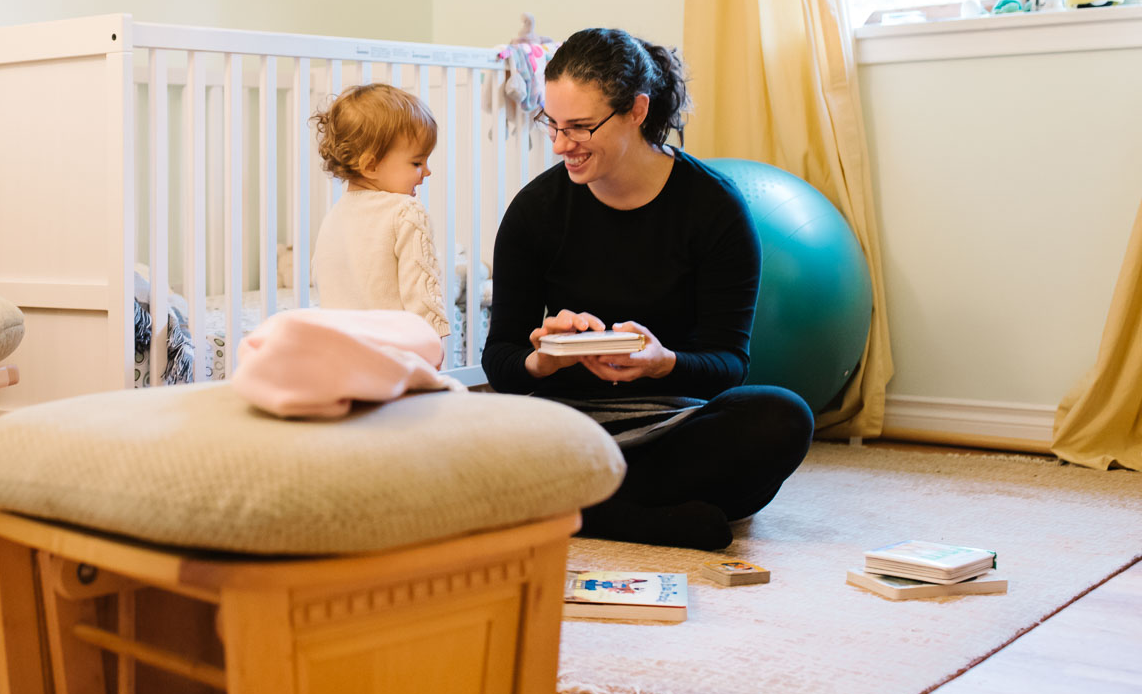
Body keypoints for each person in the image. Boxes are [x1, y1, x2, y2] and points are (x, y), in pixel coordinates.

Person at [482, 27, 813, 550]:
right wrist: (541, 359)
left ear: (637, 110)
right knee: (457, 433)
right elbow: (499, 360)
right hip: (569, 428)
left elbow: (729, 363)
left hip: (674, 423)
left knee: (782, 416)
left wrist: (663, 363)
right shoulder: (535, 212)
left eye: (581, 127)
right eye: (553, 124)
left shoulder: (714, 209)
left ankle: (589, 511)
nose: (561, 144)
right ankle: (637, 515)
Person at [310, 84, 451, 339]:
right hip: (395, 350)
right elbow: (420, 289)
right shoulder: (406, 212)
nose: (426, 172)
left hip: (344, 348)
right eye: (417, 162)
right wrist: (432, 341)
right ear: (371, 165)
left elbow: (323, 281)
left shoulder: (334, 216)